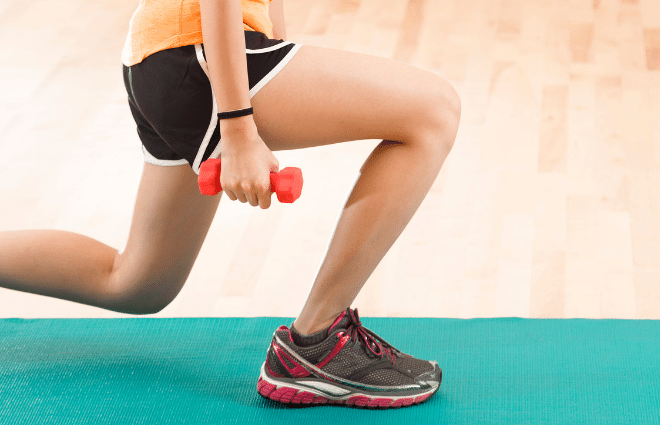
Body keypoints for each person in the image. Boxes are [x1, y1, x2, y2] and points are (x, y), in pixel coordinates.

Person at [0, 0, 460, 408]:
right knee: (434, 109)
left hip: (163, 56)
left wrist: (279, 58)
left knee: (137, 283)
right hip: (196, 51)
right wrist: (238, 128)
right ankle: (317, 344)